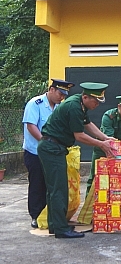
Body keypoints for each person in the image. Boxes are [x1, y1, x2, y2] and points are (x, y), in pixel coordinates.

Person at [38, 82, 116, 239]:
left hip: (54, 147)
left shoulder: (80, 104)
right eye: (95, 101)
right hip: (52, 148)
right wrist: (101, 144)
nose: (97, 104)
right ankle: (61, 229)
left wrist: (105, 137)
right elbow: (79, 135)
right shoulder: (74, 106)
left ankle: (55, 225)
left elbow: (88, 124)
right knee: (59, 190)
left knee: (55, 189)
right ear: (85, 96)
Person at [22, 79, 74, 229]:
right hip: (35, 152)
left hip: (52, 153)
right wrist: (46, 143)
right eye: (59, 93)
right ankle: (36, 215)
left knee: (53, 185)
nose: (61, 97)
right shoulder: (35, 103)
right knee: (38, 184)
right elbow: (31, 126)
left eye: (64, 95)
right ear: (51, 89)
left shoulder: (60, 107)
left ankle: (52, 217)